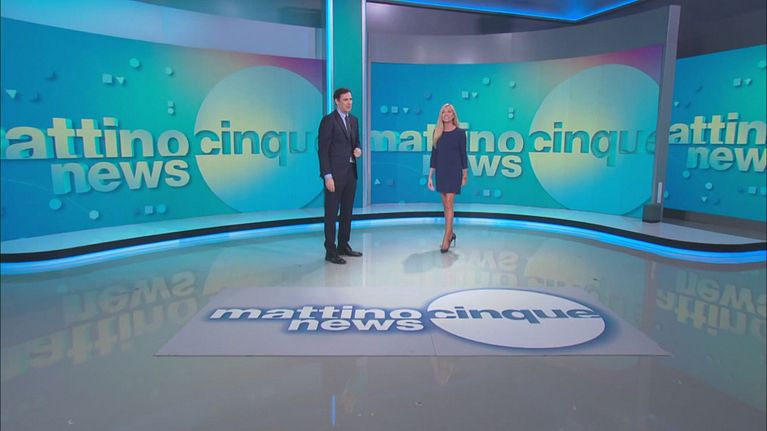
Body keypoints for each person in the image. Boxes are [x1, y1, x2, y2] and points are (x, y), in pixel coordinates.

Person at [318, 88, 363, 264]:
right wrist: (327, 175)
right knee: (331, 213)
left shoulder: (354, 120)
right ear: (336, 101)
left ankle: (343, 245)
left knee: (347, 211)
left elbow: (355, 142)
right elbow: (323, 150)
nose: (349, 102)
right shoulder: (328, 121)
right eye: (345, 99)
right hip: (334, 175)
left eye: (351, 99)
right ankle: (330, 250)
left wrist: (358, 149)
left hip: (350, 172)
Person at [427, 103, 468, 253]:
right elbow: (434, 156)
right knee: (445, 204)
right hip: (441, 172)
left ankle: (446, 238)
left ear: (453, 115)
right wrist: (430, 176)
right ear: (441, 115)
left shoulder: (460, 133)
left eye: (449, 112)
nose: (446, 114)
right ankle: (450, 233)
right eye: (443, 112)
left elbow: (463, 155)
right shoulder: (437, 132)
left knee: (450, 202)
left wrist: (464, 174)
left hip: (454, 171)